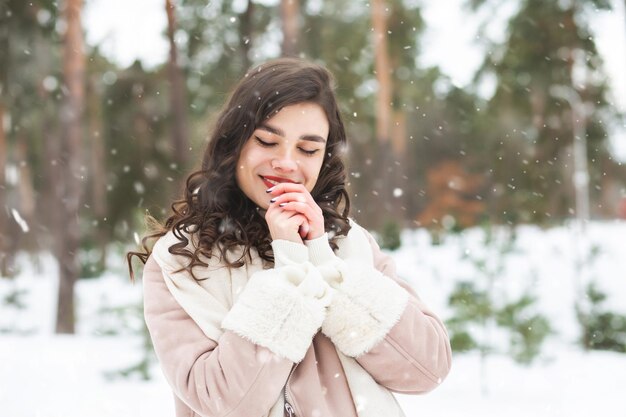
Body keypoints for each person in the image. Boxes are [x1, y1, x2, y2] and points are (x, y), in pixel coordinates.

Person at [128, 58, 451, 417]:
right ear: (234, 144)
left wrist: (324, 263)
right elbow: (225, 403)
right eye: (267, 141)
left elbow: (427, 369)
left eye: (308, 149)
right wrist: (292, 270)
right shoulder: (180, 260)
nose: (286, 163)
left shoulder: (348, 243)